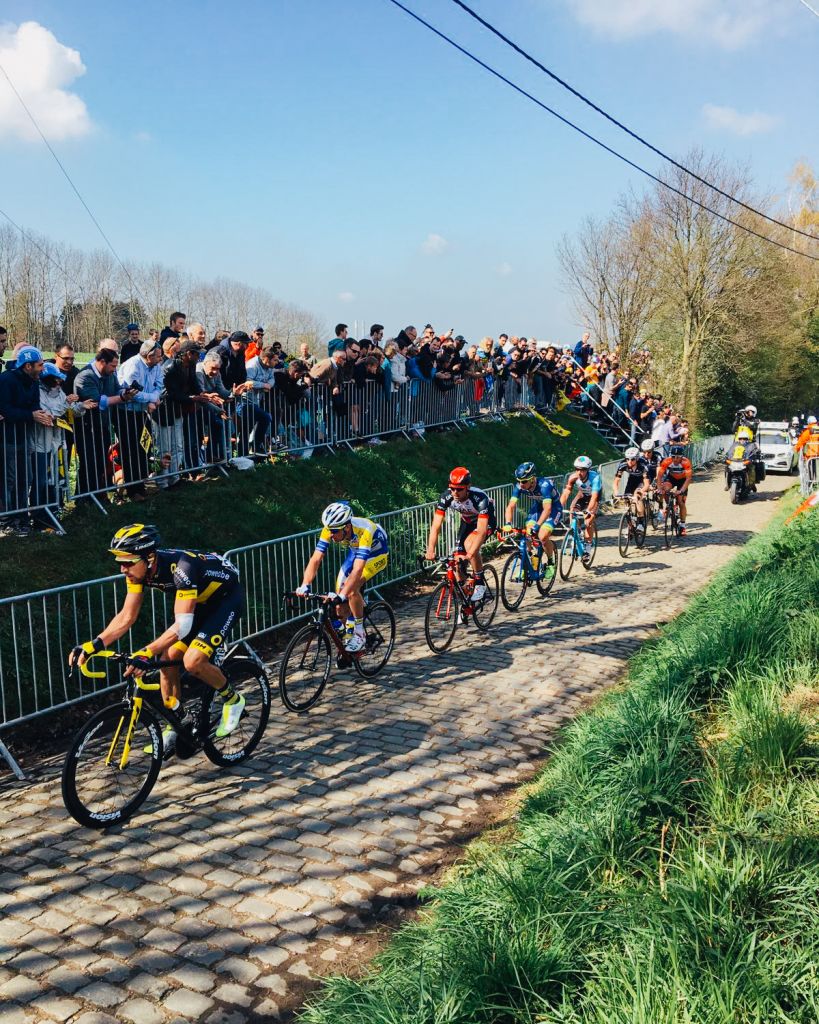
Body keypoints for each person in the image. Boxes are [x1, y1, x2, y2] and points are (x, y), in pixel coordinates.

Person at [68, 525, 246, 756]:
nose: (123, 569)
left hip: (225, 601)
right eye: (120, 562)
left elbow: (182, 626)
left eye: (128, 562)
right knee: (168, 659)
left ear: (149, 558)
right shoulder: (138, 572)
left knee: (193, 661)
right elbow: (126, 616)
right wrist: (94, 644)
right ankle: (178, 724)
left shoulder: (183, 569)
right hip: (199, 604)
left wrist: (145, 651)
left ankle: (233, 700)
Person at [296, 502, 389, 653]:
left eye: (334, 531)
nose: (330, 534)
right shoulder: (331, 528)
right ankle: (348, 636)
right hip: (356, 551)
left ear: (346, 527)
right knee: (339, 603)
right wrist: (305, 584)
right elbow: (316, 559)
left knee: (351, 590)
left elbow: (358, 569)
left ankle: (359, 633)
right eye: (329, 530)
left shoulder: (366, 529)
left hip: (375, 553)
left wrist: (343, 594)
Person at [74, 348, 140, 499]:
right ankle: (85, 498)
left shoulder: (109, 375)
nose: (114, 369)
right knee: (89, 463)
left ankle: (98, 495)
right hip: (86, 427)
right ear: (102, 362)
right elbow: (99, 401)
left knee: (100, 462)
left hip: (103, 426)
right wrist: (123, 398)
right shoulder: (85, 377)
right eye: (113, 366)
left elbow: (116, 390)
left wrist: (125, 392)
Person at [0, 346, 53, 534]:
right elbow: (6, 410)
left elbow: (35, 405)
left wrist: (42, 414)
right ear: (28, 366)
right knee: (8, 480)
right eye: (40, 365)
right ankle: (6, 520)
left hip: (24, 438)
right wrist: (31, 415)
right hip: (7, 439)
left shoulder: (33, 381)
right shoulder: (6, 381)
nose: (43, 369)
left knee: (25, 478)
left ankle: (22, 517)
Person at [425, 467, 496, 602]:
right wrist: (430, 549)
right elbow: (435, 526)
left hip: (485, 522)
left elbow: (481, 532)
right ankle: (466, 599)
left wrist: (470, 555)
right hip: (467, 522)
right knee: (457, 562)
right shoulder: (446, 497)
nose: (455, 492)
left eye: (459, 489)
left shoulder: (480, 498)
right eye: (452, 488)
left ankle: (480, 582)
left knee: (470, 545)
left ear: (468, 487)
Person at [502, 461, 562, 576]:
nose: (521, 484)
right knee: (528, 533)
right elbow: (511, 506)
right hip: (538, 507)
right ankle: (527, 564)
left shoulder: (544, 485)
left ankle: (550, 563)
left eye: (524, 481)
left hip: (553, 508)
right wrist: (508, 523)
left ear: (532, 479)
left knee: (543, 536)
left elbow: (548, 509)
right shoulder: (520, 486)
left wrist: (538, 526)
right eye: (518, 481)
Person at [560, 455, 602, 554]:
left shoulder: (595, 478)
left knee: (588, 522)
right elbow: (566, 493)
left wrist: (588, 510)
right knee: (572, 510)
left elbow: (594, 497)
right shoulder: (573, 477)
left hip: (594, 498)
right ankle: (575, 533)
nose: (579, 472)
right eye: (577, 469)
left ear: (588, 469)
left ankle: (588, 545)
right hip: (582, 495)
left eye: (582, 470)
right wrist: (558, 506)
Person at [657, 445, 693, 534]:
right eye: (673, 457)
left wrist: (681, 491)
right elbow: (660, 475)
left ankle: (683, 525)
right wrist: (659, 488)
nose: (675, 459)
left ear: (682, 457)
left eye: (678, 457)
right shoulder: (667, 461)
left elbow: (688, 479)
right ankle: (669, 505)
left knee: (681, 501)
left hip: (683, 480)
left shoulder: (686, 462)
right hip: (671, 478)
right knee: (665, 489)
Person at [613, 446, 650, 518]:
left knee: (637, 496)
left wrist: (641, 491)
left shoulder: (643, 465)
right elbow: (616, 481)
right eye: (627, 459)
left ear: (637, 459)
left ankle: (641, 521)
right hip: (632, 478)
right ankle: (630, 521)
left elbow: (647, 484)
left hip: (642, 480)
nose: (629, 461)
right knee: (626, 498)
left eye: (632, 459)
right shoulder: (623, 464)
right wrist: (616, 492)